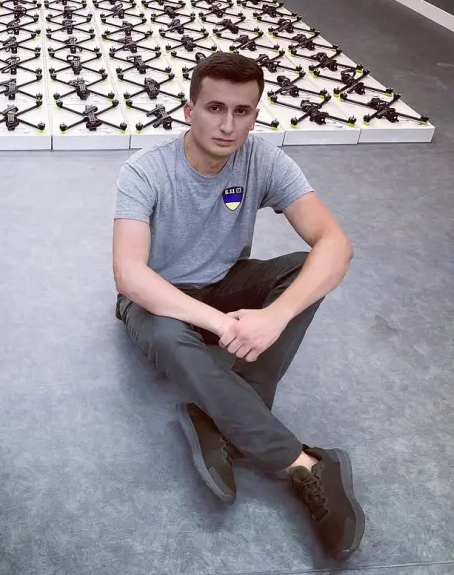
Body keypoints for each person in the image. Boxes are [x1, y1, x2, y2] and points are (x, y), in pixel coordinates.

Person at [112, 52, 365, 562]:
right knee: (165, 334)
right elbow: (129, 273)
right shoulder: (146, 171)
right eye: (215, 108)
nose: (228, 125)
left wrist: (275, 316)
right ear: (189, 110)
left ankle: (220, 417)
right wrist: (215, 322)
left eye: (242, 111)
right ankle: (304, 464)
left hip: (227, 283)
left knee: (305, 270)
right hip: (161, 297)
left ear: (254, 115)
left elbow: (335, 243)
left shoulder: (263, 160)